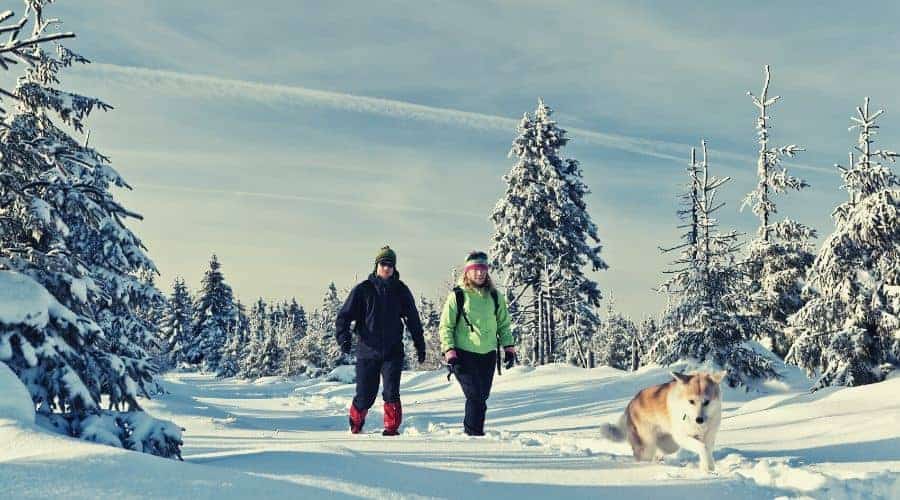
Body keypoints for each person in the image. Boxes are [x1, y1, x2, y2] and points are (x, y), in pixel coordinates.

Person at [336, 245, 426, 436]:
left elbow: (412, 319)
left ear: (394, 268)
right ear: (377, 265)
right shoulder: (363, 290)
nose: (387, 268)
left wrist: (420, 344)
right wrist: (344, 338)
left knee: (391, 392)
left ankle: (391, 429)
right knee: (365, 395)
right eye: (383, 264)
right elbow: (344, 317)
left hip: (392, 351)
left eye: (390, 265)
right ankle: (356, 422)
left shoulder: (400, 290)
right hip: (367, 352)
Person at [439, 250, 516, 436]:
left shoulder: (495, 297)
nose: (480, 273)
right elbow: (446, 326)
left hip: (488, 354)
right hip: (463, 354)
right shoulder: (457, 296)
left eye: (483, 269)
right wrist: (450, 351)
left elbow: (504, 324)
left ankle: (474, 433)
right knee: (474, 396)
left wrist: (509, 348)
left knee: (482, 396)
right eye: (475, 269)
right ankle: (474, 434)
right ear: (467, 272)